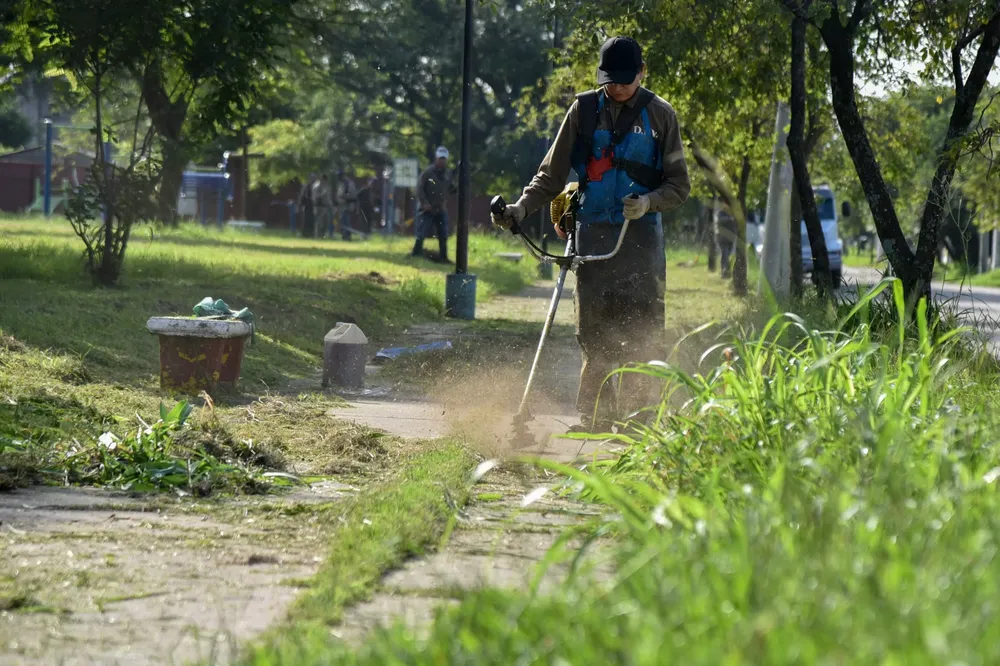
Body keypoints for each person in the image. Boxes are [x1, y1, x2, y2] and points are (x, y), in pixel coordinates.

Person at [491, 36, 691, 430]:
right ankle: (596, 415)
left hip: (640, 238)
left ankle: (639, 419)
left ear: (642, 72)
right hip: (592, 232)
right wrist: (521, 208)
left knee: (641, 328)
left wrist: (650, 201)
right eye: (609, 80)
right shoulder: (583, 109)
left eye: (624, 80)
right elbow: (550, 174)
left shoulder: (661, 116)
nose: (616, 88)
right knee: (594, 329)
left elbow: (680, 186)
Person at [411, 146, 458, 263]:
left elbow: (451, 188)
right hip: (427, 208)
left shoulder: (448, 174)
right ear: (436, 158)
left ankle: (443, 257)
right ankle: (416, 253)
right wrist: (425, 203)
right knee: (422, 232)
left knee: (443, 233)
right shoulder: (427, 173)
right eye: (440, 158)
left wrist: (456, 188)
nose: (441, 161)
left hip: (441, 208)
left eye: (444, 159)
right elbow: (419, 189)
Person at [335, 169, 359, 240]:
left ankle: (347, 236)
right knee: (343, 221)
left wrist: (344, 196)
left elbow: (353, 195)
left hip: (348, 206)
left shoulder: (349, 183)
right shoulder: (341, 183)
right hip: (342, 206)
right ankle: (344, 235)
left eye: (339, 176)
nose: (338, 178)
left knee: (346, 221)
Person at [312, 174, 334, 239]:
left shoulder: (326, 186)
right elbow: (314, 196)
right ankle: (317, 236)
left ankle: (323, 235)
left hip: (325, 206)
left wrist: (331, 206)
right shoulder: (316, 186)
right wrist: (322, 194)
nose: (325, 182)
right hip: (318, 206)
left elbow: (328, 197)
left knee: (325, 222)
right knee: (319, 222)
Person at [297, 173, 317, 238]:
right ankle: (305, 234)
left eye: (314, 178)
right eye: (311, 178)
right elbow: (301, 196)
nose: (312, 179)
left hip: (313, 205)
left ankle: (311, 233)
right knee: (306, 220)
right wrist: (299, 205)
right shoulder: (306, 186)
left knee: (312, 220)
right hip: (307, 205)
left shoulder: (316, 186)